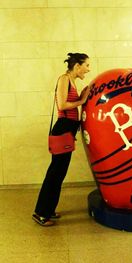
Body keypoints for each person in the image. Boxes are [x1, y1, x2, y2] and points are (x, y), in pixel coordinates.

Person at [32, 53, 90, 226]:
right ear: (77, 66)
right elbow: (62, 105)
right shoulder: (64, 79)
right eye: (86, 65)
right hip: (62, 128)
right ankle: (41, 213)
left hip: (68, 130)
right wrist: (82, 100)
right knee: (55, 173)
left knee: (59, 173)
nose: (88, 69)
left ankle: (48, 210)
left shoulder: (72, 82)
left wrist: (81, 98)